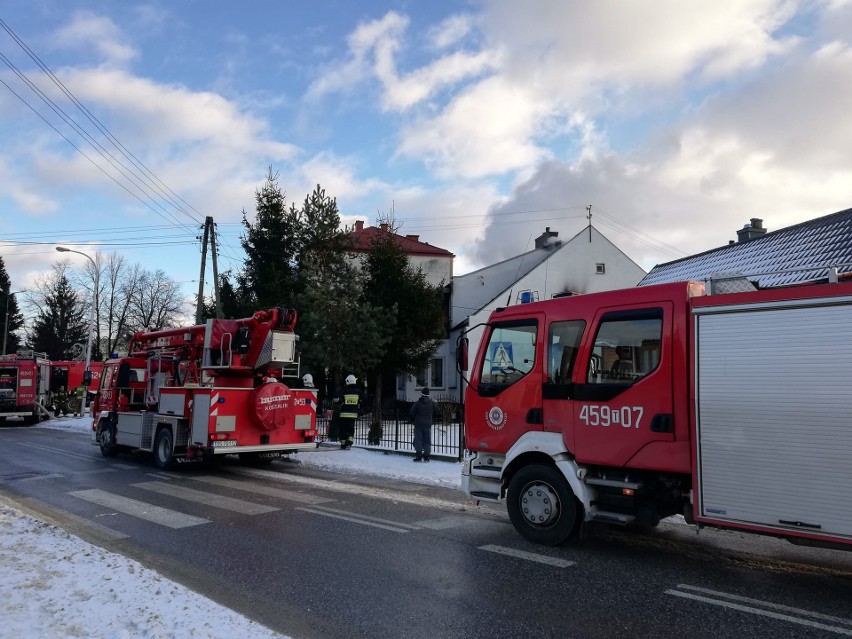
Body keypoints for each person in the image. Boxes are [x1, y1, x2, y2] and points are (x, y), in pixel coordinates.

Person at [409, 387, 440, 462]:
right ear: (428, 394)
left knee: (418, 440)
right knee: (427, 440)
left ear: (421, 394)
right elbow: (438, 412)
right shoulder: (432, 403)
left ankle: (419, 456)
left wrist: (413, 421)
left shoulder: (417, 403)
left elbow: (411, 413)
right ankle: (426, 456)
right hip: (427, 424)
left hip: (418, 424)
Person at [334, 374, 362, 450]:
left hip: (344, 414)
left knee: (343, 428)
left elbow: (336, 399)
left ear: (347, 381)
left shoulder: (344, 390)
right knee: (351, 428)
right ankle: (349, 442)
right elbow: (364, 400)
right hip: (353, 415)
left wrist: (339, 402)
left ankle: (343, 444)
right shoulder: (358, 391)